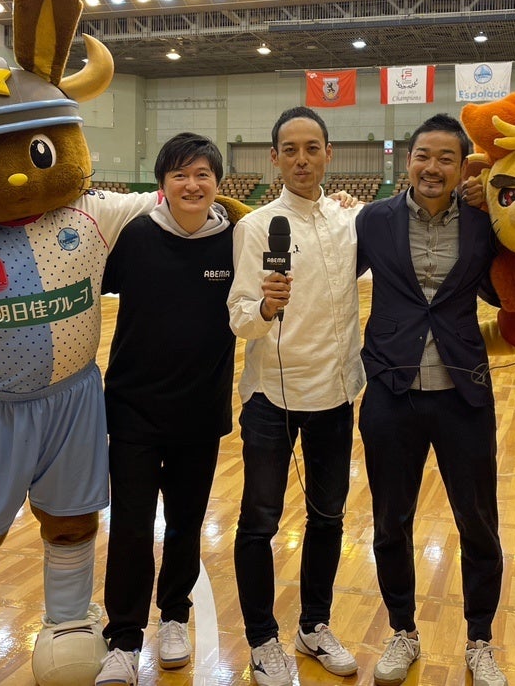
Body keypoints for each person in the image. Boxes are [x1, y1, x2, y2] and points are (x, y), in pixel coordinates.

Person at [355, 114, 507, 686]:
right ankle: (402, 631)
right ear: (408, 160)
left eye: (446, 158)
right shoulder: (373, 220)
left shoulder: (485, 225)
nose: (433, 167)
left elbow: (510, 289)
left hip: (462, 392)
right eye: (424, 155)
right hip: (390, 392)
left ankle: (480, 639)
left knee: (479, 523)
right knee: (390, 523)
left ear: (463, 167)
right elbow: (330, 278)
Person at [227, 106, 363, 686]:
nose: (301, 159)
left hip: (335, 394)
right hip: (270, 399)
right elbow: (238, 318)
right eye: (290, 149)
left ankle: (314, 625)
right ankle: (263, 639)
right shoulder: (256, 227)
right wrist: (265, 307)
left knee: (328, 517)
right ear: (274, 158)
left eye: (312, 148)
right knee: (259, 522)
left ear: (329, 154)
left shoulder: (349, 220)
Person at [95, 134, 238, 686]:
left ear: (218, 183)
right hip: (133, 409)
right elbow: (88, 286)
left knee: (185, 524)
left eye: (202, 174)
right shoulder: (135, 237)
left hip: (200, 411)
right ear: (162, 184)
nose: (191, 184)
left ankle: (175, 616)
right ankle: (124, 639)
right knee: (131, 528)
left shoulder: (235, 243)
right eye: (180, 174)